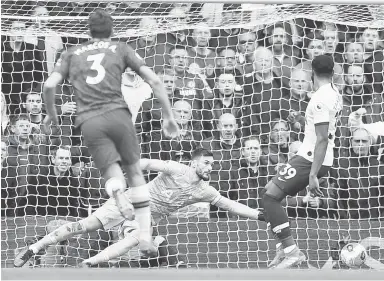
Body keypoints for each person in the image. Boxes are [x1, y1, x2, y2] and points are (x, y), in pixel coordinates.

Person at [40, 9, 179, 255]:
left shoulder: (72, 53)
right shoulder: (122, 48)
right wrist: (168, 116)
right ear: (112, 30)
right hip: (118, 115)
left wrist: (52, 115)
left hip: (90, 120)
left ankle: (116, 193)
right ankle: (145, 237)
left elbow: (49, 85)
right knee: (135, 174)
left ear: (88, 30)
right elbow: (156, 81)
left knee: (110, 171)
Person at [14, 148, 264, 268]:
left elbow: (229, 204)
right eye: (207, 163)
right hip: (131, 198)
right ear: (194, 163)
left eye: (212, 164)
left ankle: (89, 263)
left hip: (144, 217)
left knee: (138, 237)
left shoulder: (205, 191)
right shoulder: (177, 169)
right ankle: (34, 248)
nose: (210, 167)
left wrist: (258, 214)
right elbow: (146, 162)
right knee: (82, 227)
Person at [261, 54, 342, 269]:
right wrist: (299, 122)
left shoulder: (319, 99)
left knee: (270, 198)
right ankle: (283, 248)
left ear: (311, 73)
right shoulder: (334, 93)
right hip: (311, 154)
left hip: (310, 158)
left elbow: (323, 138)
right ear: (333, 72)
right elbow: (319, 131)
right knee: (269, 191)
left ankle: (291, 251)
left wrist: (313, 175)